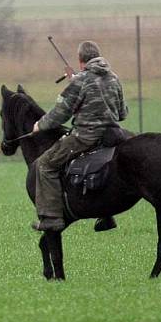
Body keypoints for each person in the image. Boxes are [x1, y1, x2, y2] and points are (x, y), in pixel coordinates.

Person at [30, 40, 128, 232]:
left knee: (45, 165)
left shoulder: (81, 80)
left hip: (86, 137)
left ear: (81, 60)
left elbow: (60, 113)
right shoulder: (114, 78)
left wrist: (39, 125)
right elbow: (122, 113)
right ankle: (107, 216)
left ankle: (51, 218)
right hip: (112, 135)